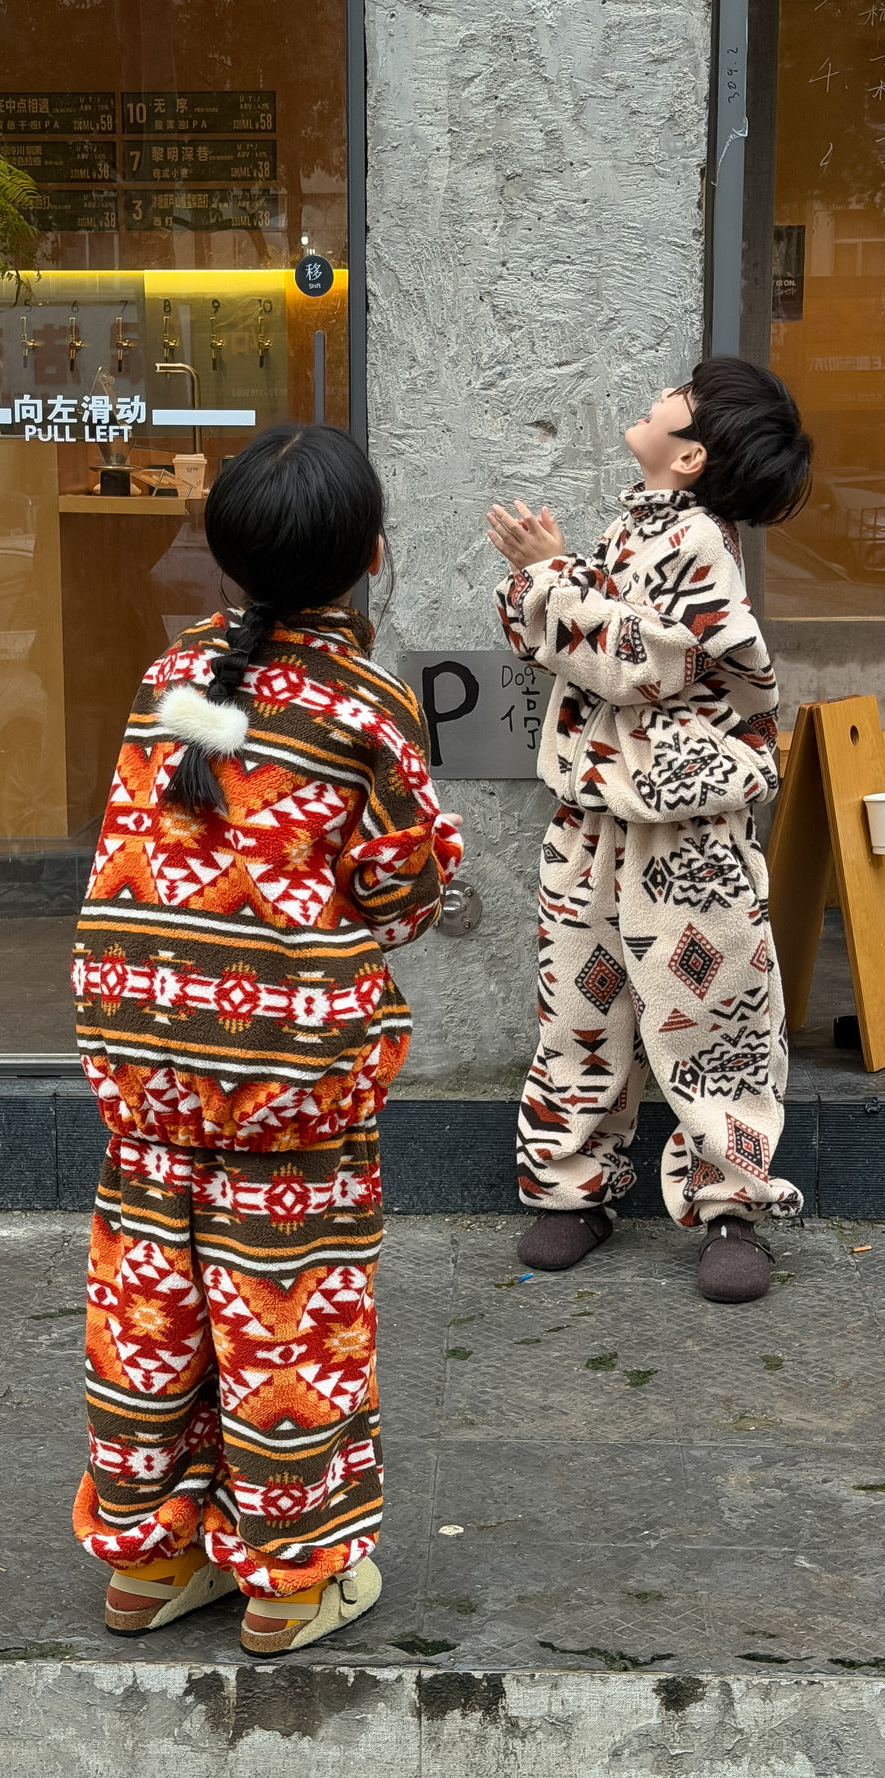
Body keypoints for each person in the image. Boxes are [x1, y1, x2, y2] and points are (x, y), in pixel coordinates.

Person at [72, 423, 462, 1654]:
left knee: (151, 1304)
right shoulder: (366, 703)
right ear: (370, 557)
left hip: (144, 1056)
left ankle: (150, 1562)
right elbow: (402, 891)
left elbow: (165, 840)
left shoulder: (174, 678)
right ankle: (294, 1580)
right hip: (286, 1080)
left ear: (227, 557)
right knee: (286, 1308)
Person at [487, 357, 811, 1304]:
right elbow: (595, 641)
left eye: (679, 397)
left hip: (687, 835)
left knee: (714, 1018)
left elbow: (647, 661)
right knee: (582, 1012)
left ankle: (732, 1205)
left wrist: (548, 578)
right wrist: (547, 575)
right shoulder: (643, 522)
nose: (657, 397)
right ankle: (571, 1190)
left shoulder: (700, 541)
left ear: (693, 451)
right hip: (594, 817)